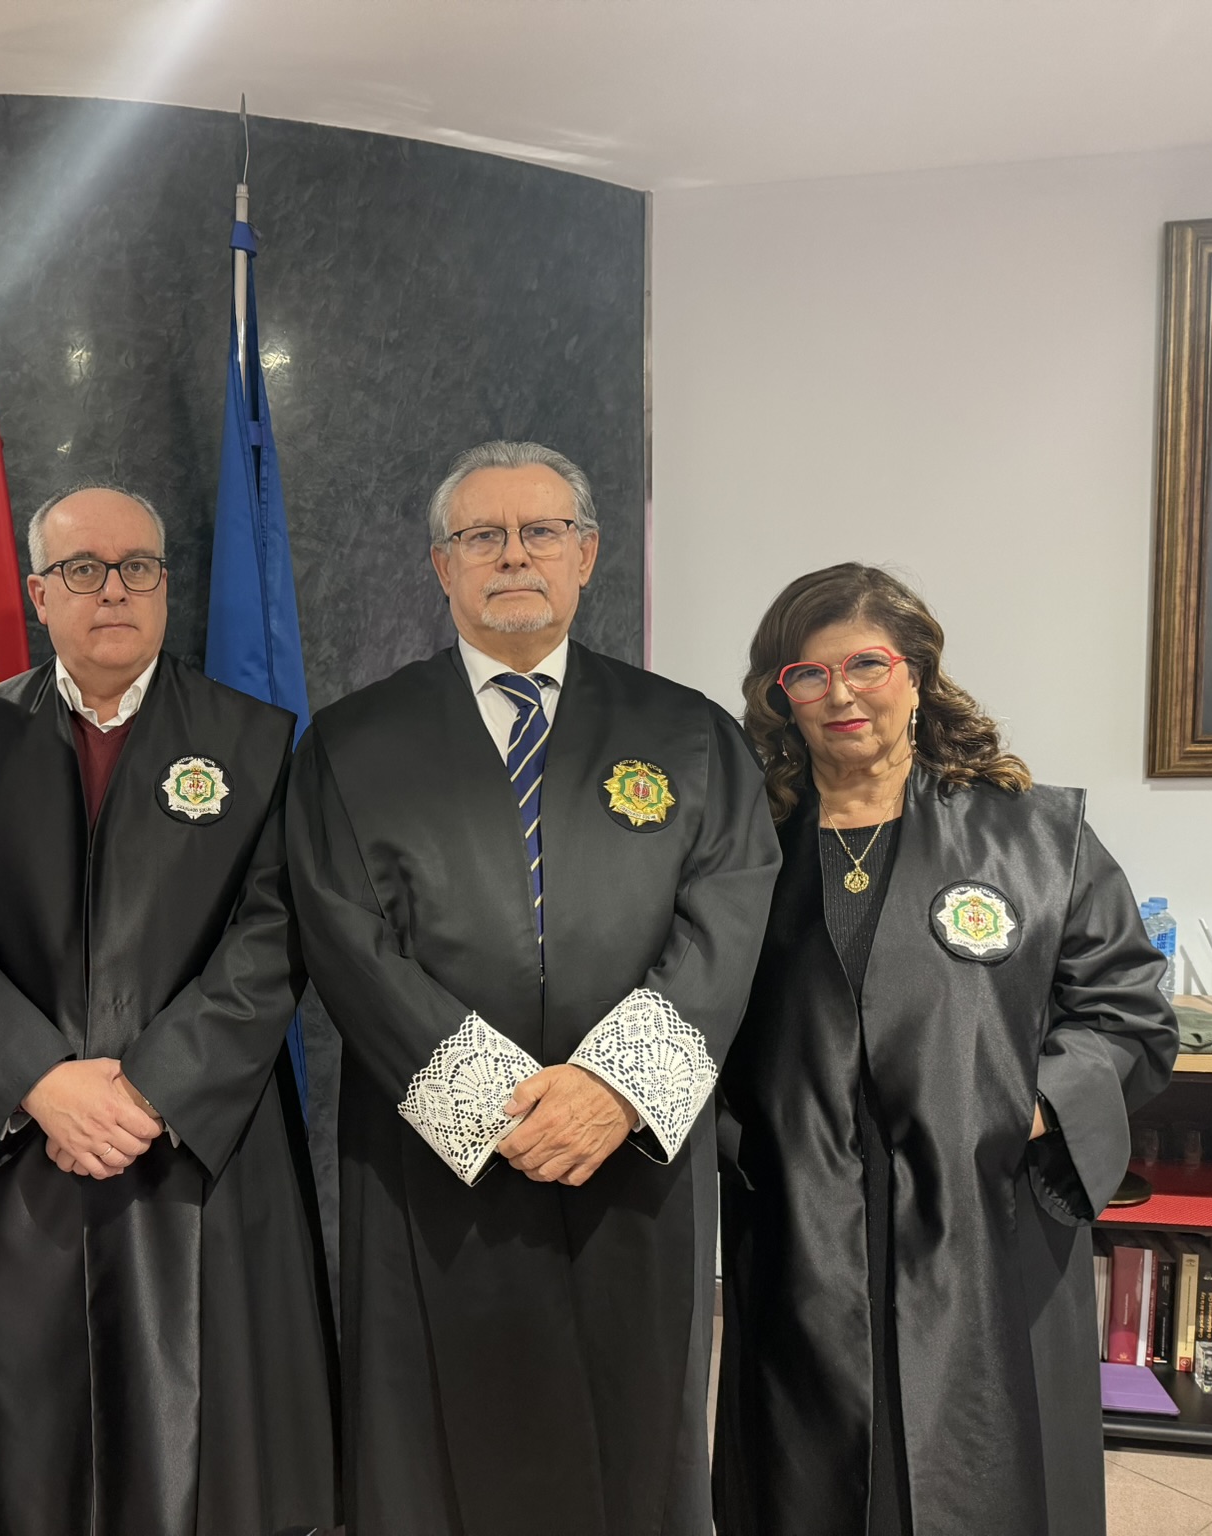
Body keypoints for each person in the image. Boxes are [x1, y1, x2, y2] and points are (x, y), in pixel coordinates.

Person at [285, 440, 780, 1536]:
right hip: (438, 1155)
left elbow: (728, 912)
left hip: (630, 1149)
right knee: (438, 1437)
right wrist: (497, 1106)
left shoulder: (689, 734)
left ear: (585, 554)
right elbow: (343, 936)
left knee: (635, 1428)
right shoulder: (352, 743)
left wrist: (614, 1090)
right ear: (442, 566)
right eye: (482, 536)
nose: (513, 555)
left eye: (540, 531)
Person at [0, 485, 336, 1536]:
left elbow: (276, 934)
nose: (114, 590)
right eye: (82, 570)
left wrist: (149, 1089)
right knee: (29, 1447)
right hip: (21, 1138)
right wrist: (38, 1078)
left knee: (207, 1457)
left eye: (138, 567)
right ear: (39, 594)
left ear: (167, 587)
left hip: (194, 1141)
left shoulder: (256, 741)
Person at [712, 563, 1178, 1536]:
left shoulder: (1033, 837)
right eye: (808, 674)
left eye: (866, 665)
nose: (840, 694)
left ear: (917, 675)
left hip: (981, 1214)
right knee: (805, 1478)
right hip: (798, 1220)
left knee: (977, 1473)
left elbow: (1127, 1013)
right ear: (780, 696)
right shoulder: (744, 847)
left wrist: (1026, 1107)